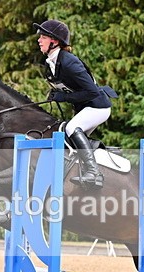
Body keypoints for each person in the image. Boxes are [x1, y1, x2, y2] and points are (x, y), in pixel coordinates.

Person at [34, 19, 115, 189]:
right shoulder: (50, 64)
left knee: (71, 129)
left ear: (54, 41)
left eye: (43, 37)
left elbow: (92, 91)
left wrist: (62, 97)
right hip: (85, 107)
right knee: (67, 137)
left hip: (98, 106)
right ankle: (85, 169)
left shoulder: (70, 62)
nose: (39, 40)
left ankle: (94, 172)